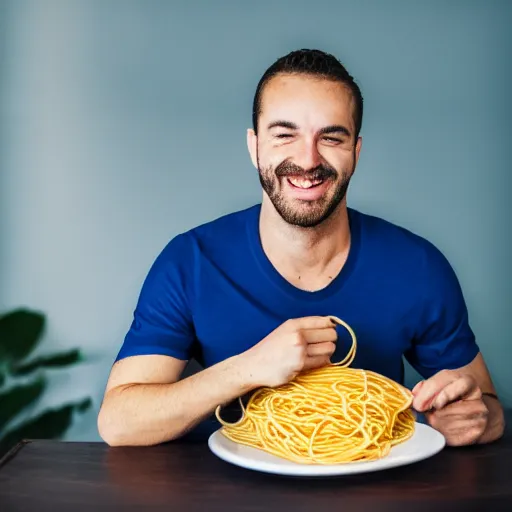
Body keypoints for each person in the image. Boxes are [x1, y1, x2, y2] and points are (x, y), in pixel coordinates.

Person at [98, 49, 505, 448]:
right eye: (284, 134)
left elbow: (488, 409)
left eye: (331, 137)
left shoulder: (418, 267)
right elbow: (119, 423)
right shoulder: (191, 262)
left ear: (356, 153)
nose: (308, 160)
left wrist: (477, 420)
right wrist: (250, 368)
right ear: (254, 146)